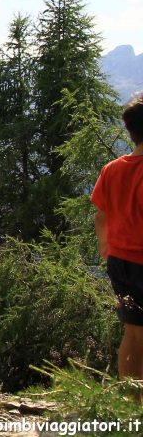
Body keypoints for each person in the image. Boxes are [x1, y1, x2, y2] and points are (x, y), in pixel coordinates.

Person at [93, 93, 143, 382]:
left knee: (134, 333)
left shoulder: (112, 170)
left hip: (120, 261)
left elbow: (101, 216)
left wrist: (106, 247)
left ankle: (131, 404)